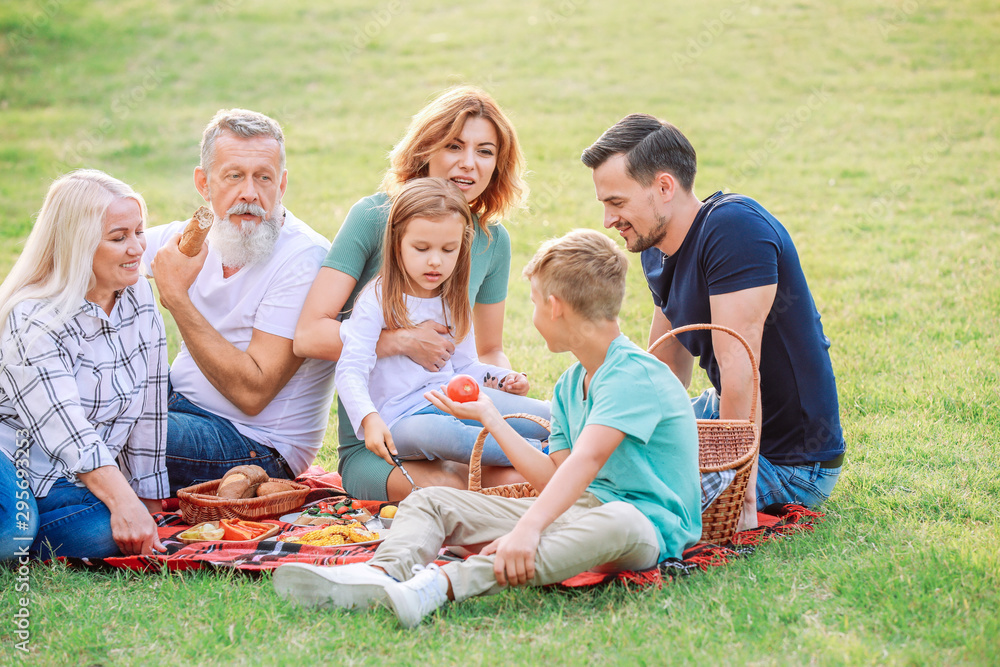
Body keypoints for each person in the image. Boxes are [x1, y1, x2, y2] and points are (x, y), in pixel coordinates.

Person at [273, 229, 702, 629]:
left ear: (555, 306)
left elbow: (586, 462)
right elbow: (554, 477)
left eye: (534, 302)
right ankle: (380, 574)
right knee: (432, 501)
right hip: (578, 510)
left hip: (647, 527)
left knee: (617, 520)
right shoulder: (571, 384)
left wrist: (528, 529)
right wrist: (491, 418)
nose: (533, 313)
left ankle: (440, 586)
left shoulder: (634, 375)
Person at [580, 113, 846, 514]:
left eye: (617, 203)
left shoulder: (733, 229)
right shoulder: (656, 248)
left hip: (790, 461)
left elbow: (741, 370)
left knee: (624, 504)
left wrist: (739, 491)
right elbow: (666, 368)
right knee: (592, 452)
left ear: (664, 186)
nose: (608, 220)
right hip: (720, 412)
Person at [295, 86, 545, 501]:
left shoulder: (492, 241)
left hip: (454, 411)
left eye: (485, 151)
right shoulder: (375, 218)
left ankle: (591, 449)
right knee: (455, 490)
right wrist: (404, 341)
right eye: (453, 145)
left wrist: (502, 386)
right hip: (382, 439)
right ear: (426, 148)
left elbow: (486, 352)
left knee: (529, 462)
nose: (469, 164)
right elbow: (307, 335)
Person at [143, 109, 336, 495]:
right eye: (234, 176)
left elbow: (253, 393)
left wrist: (177, 298)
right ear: (204, 183)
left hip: (255, 444)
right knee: (80, 398)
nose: (249, 193)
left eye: (263, 177)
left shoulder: (303, 258)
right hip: (179, 405)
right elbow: (93, 254)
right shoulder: (200, 235)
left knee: (114, 428)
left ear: (281, 184)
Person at [0, 170, 168, 560]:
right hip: (12, 457)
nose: (137, 248)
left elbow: (152, 403)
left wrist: (148, 499)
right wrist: (122, 500)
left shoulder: (136, 292)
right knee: (14, 530)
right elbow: (67, 429)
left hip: (67, 478)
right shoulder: (35, 319)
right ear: (78, 245)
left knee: (107, 535)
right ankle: (22, 529)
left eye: (138, 232)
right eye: (119, 237)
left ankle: (34, 526)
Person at [336, 178, 550, 471]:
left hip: (451, 400)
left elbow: (464, 368)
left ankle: (588, 435)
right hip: (401, 419)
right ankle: (549, 457)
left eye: (448, 250)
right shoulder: (377, 297)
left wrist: (501, 378)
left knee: (541, 415)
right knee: (446, 435)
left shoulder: (451, 299)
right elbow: (350, 368)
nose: (435, 261)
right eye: (421, 248)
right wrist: (369, 418)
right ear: (397, 242)